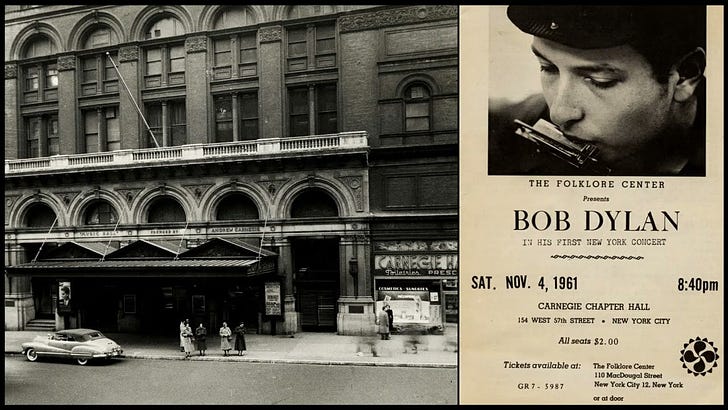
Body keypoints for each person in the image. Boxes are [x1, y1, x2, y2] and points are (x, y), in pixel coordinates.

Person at [488, 6, 706, 176]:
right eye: (548, 67)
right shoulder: (509, 128)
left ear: (684, 77)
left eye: (600, 81)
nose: (558, 114)